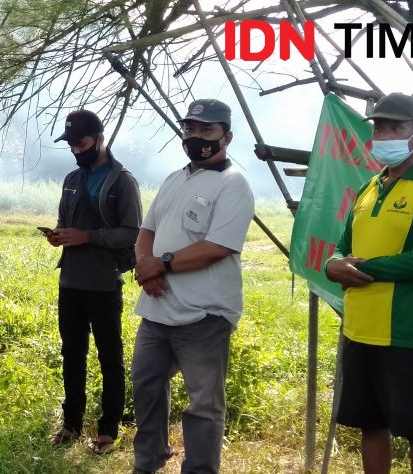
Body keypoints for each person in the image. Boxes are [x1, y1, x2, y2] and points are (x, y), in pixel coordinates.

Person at [325, 92, 413, 474]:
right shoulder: (369, 187)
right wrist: (334, 265)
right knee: (371, 424)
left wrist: (363, 270)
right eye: (379, 128)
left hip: (402, 328)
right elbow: (341, 247)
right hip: (358, 326)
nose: (384, 135)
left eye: (395, 127)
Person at [129, 99, 254, 473]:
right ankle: (148, 461)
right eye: (190, 129)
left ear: (226, 136)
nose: (196, 136)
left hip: (205, 314)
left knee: (203, 404)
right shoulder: (175, 178)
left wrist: (160, 265)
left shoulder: (234, 185)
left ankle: (199, 469)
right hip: (157, 312)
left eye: (206, 130)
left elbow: (217, 247)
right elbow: (147, 231)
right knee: (146, 387)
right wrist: (144, 266)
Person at [45, 109, 141, 455]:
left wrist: (87, 237)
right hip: (70, 281)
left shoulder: (122, 180)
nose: (76, 150)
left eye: (81, 143)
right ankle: (71, 424)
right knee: (71, 354)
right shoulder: (71, 178)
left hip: (103, 282)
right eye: (71, 145)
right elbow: (63, 219)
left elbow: (132, 232)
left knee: (109, 357)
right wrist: (58, 236)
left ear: (100, 140)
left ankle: (108, 430)